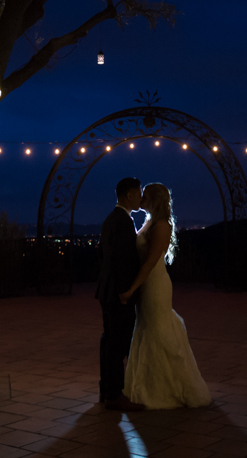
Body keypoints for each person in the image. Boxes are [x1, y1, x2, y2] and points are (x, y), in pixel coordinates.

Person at [120, 183, 212, 409]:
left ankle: (165, 388)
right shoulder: (149, 221)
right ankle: (147, 384)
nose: (140, 199)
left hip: (154, 284)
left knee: (156, 329)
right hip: (146, 283)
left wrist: (132, 289)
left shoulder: (161, 225)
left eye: (145, 196)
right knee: (146, 328)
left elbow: (151, 262)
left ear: (153, 199)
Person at [95, 176, 146, 411]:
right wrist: (126, 292)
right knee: (117, 344)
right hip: (118, 294)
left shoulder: (110, 220)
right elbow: (121, 261)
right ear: (129, 195)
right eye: (138, 193)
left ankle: (106, 390)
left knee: (109, 342)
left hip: (106, 291)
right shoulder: (124, 222)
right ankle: (115, 394)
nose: (141, 197)